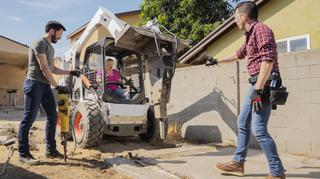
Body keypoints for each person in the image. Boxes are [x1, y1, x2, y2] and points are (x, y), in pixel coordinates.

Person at [207, 1, 286, 179]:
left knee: (258, 129)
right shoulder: (250, 35)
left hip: (264, 83)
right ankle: (238, 163)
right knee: (242, 122)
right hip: (256, 84)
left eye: (235, 17)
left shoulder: (261, 29)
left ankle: (277, 172)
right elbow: (239, 54)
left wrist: (258, 91)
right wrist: (216, 60)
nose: (234, 21)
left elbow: (268, 61)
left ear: (243, 16)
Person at [18, 21, 80, 165]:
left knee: (52, 116)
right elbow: (44, 67)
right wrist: (57, 86)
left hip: (45, 86)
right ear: (52, 31)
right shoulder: (39, 42)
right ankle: (23, 153)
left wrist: (70, 72)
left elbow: (52, 68)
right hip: (34, 83)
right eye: (59, 34)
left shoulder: (50, 48)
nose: (59, 38)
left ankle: (50, 150)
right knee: (29, 119)